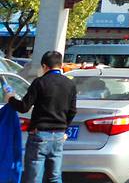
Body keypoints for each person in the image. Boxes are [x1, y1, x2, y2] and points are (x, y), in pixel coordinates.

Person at [4, 50, 77, 183]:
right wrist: (64, 129)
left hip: (40, 135)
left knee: (34, 177)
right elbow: (72, 111)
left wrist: (10, 98)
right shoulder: (70, 84)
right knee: (55, 177)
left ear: (44, 66)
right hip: (59, 136)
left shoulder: (40, 82)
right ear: (60, 65)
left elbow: (24, 107)